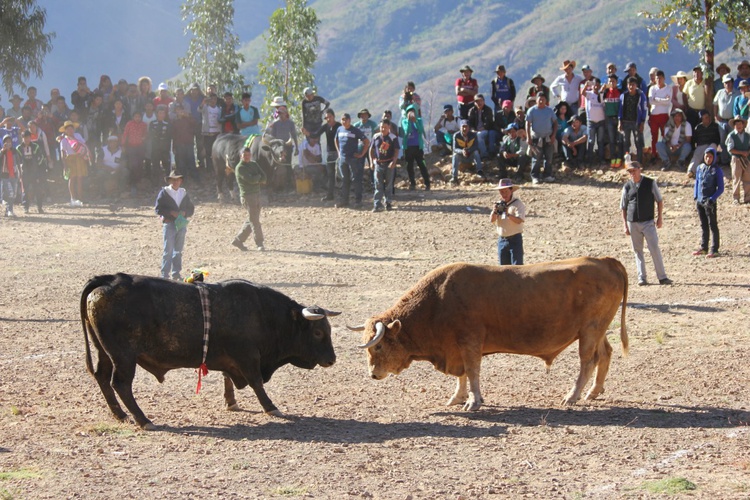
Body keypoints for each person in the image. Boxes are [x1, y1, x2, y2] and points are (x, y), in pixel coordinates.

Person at [620, 161, 673, 286]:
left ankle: (662, 277)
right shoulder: (627, 186)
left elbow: (659, 200)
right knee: (638, 251)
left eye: (634, 170)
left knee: (654, 248)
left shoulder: (650, 183)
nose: (632, 173)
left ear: (640, 169)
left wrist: (660, 218)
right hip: (633, 222)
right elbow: (623, 207)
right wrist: (625, 225)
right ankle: (642, 277)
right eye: (630, 171)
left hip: (648, 221)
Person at [155, 170, 194, 280]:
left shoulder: (184, 193)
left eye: (177, 180)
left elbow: (191, 208)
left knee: (178, 251)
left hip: (181, 223)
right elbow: (158, 209)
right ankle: (165, 275)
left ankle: (176, 274)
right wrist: (171, 213)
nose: (176, 182)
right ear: (170, 181)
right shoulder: (164, 192)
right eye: (173, 180)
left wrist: (184, 213)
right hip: (169, 223)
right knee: (168, 251)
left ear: (181, 181)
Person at [231, 147, 266, 252]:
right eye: (244, 155)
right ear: (241, 156)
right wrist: (257, 178)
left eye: (248, 155)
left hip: (256, 194)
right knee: (254, 221)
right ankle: (259, 243)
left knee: (252, 219)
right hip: (248, 196)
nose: (247, 157)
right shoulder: (240, 168)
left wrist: (257, 178)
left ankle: (238, 240)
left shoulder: (254, 164)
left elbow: (264, 177)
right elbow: (251, 180)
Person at [692, 147, 724, 258]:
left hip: (710, 202)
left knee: (713, 225)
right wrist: (695, 196)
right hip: (700, 201)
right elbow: (697, 182)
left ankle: (714, 249)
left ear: (714, 157)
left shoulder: (717, 170)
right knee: (703, 225)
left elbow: (720, 188)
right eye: (706, 156)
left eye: (710, 156)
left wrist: (712, 199)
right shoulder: (700, 168)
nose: (708, 158)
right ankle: (704, 247)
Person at [334, 113, 369, 208]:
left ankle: (358, 201)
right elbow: (336, 140)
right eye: (342, 119)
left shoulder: (355, 130)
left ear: (349, 120)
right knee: (345, 180)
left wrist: (361, 154)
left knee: (356, 179)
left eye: (345, 119)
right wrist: (338, 152)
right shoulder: (339, 129)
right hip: (343, 159)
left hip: (353, 159)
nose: (344, 121)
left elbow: (366, 141)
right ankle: (344, 200)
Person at [490, 178, 526, 265]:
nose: (504, 194)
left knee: (517, 267)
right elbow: (492, 220)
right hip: (502, 239)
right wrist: (495, 211)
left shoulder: (518, 204)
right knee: (503, 268)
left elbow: (519, 220)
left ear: (511, 190)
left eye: (505, 191)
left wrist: (508, 214)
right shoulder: (499, 204)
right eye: (501, 192)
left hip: (515, 239)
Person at [525, 93, 557, 184]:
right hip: (536, 138)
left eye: (543, 99)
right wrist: (528, 137)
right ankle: (535, 176)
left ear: (546, 101)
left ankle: (547, 175)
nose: (541, 101)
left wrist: (554, 135)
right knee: (536, 158)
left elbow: (555, 123)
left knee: (549, 158)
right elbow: (527, 124)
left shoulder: (550, 110)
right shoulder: (531, 110)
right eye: (540, 99)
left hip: (548, 137)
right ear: (536, 100)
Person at [369, 118, 399, 212]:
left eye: (385, 127)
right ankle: (377, 204)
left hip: (389, 163)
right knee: (378, 184)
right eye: (381, 127)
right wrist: (371, 161)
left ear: (389, 127)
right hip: (378, 163)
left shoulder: (393, 137)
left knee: (389, 184)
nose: (383, 129)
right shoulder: (376, 137)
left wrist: (394, 162)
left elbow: (396, 150)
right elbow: (371, 150)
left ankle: (388, 203)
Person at [58, 119, 90, 206]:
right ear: (65, 130)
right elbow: (63, 153)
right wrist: (65, 165)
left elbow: (84, 145)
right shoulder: (64, 140)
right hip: (70, 160)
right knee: (72, 179)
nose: (70, 130)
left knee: (80, 178)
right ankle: (73, 198)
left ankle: (80, 198)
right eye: (67, 129)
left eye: (71, 128)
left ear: (73, 129)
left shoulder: (78, 136)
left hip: (80, 159)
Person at [400, 104, 431, 190]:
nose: (412, 113)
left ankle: (427, 183)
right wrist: (410, 121)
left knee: (422, 165)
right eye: (410, 111)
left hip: (418, 147)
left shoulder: (419, 120)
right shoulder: (404, 121)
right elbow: (407, 131)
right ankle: (412, 183)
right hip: (408, 147)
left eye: (413, 111)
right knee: (409, 166)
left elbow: (420, 130)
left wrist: (416, 121)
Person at [16, 129, 48, 213]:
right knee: (25, 190)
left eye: (28, 137)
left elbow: (41, 158)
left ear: (30, 138)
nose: (26, 139)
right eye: (24, 137)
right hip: (24, 173)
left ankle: (39, 207)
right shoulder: (18, 148)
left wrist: (39, 169)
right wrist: (19, 172)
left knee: (38, 189)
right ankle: (25, 207)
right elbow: (17, 161)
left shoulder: (36, 147)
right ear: (22, 138)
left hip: (35, 172)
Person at [312, 108, 340, 202]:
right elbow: (316, 134)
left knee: (340, 174)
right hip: (329, 153)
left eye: (330, 117)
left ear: (333, 116)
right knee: (330, 175)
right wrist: (307, 133)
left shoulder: (339, 126)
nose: (328, 119)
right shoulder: (326, 126)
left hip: (338, 153)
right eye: (327, 117)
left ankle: (343, 195)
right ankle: (330, 195)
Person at [619, 77, 648, 165]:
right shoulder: (623, 96)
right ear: (627, 85)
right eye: (629, 85)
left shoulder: (641, 95)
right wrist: (620, 121)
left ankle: (639, 162)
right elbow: (620, 109)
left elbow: (644, 109)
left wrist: (642, 122)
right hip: (626, 122)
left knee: (638, 142)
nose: (631, 86)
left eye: (633, 84)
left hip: (637, 122)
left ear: (636, 85)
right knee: (626, 142)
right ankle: (627, 162)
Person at [713, 74, 738, 166]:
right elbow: (715, 104)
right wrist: (715, 115)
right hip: (721, 120)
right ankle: (724, 160)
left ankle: (733, 161)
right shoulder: (720, 92)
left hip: (732, 121)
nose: (728, 84)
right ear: (723, 84)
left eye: (729, 82)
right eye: (726, 82)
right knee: (723, 141)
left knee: (732, 141)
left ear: (732, 82)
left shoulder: (737, 93)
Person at [121, 110, 148, 194]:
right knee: (132, 165)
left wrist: (143, 138)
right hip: (131, 147)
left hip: (140, 147)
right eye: (136, 116)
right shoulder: (129, 124)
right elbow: (125, 134)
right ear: (133, 117)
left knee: (140, 164)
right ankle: (132, 183)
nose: (137, 118)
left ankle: (138, 182)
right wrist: (123, 145)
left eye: (139, 117)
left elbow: (146, 134)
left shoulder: (144, 124)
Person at [725, 114, 750, 204]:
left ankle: (747, 198)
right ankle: (736, 198)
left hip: (747, 159)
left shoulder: (747, 135)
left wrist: (747, 152)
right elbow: (730, 149)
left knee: (747, 178)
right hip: (736, 159)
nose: (739, 126)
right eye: (737, 124)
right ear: (734, 125)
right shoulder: (731, 136)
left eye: (740, 124)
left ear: (743, 125)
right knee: (736, 178)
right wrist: (741, 152)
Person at [648, 70, 672, 161]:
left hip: (664, 115)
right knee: (654, 136)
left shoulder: (668, 88)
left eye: (660, 78)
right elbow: (651, 101)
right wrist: (662, 99)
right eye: (657, 78)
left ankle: (665, 155)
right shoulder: (652, 88)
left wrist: (656, 99)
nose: (659, 80)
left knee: (665, 136)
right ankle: (654, 154)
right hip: (654, 115)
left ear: (664, 78)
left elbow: (668, 102)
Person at [687, 110, 720, 175]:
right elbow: (695, 139)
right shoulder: (698, 128)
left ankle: (710, 169)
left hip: (712, 144)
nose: (705, 120)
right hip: (701, 145)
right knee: (697, 155)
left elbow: (718, 139)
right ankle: (691, 171)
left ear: (710, 117)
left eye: (706, 117)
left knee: (710, 151)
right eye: (703, 118)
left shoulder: (715, 126)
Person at [172, 104, 199, 183]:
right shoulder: (174, 121)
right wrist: (174, 146)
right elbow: (173, 134)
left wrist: (188, 116)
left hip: (189, 142)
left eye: (181, 109)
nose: (179, 111)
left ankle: (195, 178)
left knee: (191, 160)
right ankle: (183, 178)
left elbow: (195, 123)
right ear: (175, 111)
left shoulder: (188, 119)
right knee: (181, 162)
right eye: (177, 110)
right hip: (179, 143)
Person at [583, 78, 606, 164]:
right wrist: (586, 86)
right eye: (594, 84)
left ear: (599, 85)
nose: (596, 86)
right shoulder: (589, 94)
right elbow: (582, 93)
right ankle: (589, 160)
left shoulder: (602, 94)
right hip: (591, 121)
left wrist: (603, 90)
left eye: (597, 84)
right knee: (591, 141)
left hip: (601, 120)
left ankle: (601, 159)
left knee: (600, 140)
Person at [96, 135, 127, 199]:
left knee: (125, 172)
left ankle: (121, 192)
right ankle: (101, 193)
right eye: (111, 142)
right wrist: (108, 168)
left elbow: (124, 162)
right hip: (106, 170)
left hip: (117, 170)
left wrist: (117, 169)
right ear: (108, 143)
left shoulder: (121, 150)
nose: (113, 143)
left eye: (115, 142)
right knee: (100, 173)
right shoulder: (103, 150)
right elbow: (98, 162)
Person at [602, 73, 622, 167]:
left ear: (617, 82)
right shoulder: (605, 92)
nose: (612, 83)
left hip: (618, 118)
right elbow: (600, 101)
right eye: (610, 81)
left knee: (619, 139)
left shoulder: (620, 92)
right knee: (611, 140)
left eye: (613, 81)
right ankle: (613, 159)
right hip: (609, 119)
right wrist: (601, 91)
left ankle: (619, 158)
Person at [467, 94, 496, 159]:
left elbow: (489, 122)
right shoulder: (471, 111)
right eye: (477, 101)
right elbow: (470, 122)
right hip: (474, 130)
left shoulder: (488, 110)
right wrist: (472, 129)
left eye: (481, 101)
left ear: (484, 101)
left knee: (479, 135)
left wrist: (482, 128)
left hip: (485, 129)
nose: (479, 103)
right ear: (474, 102)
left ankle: (484, 154)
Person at [149, 105, 172, 178]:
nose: (161, 115)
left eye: (163, 113)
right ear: (156, 114)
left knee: (167, 165)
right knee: (155, 165)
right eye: (160, 113)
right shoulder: (152, 123)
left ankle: (168, 181)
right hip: (155, 147)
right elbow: (151, 135)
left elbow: (169, 136)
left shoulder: (168, 124)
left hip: (165, 148)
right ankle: (155, 182)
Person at [0, 136, 20, 217]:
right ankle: (10, 210)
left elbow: (18, 162)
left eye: (10, 142)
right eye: (6, 142)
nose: (8, 143)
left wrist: (20, 173)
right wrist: (2, 151)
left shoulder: (14, 151)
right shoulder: (2, 152)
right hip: (5, 176)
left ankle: (8, 210)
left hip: (14, 174)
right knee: (10, 193)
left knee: (14, 194)